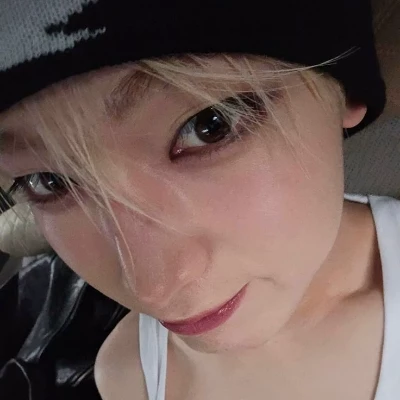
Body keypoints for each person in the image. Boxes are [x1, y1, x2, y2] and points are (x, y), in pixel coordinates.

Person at [0, 0, 397, 399]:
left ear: (346, 89)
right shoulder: (127, 375)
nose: (152, 289)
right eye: (48, 181)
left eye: (210, 125)